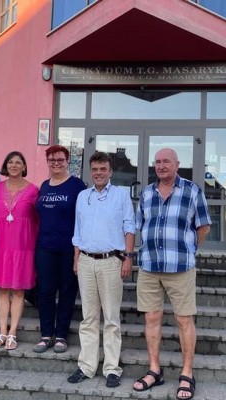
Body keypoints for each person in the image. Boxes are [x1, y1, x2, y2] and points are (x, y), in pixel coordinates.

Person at [132, 148, 211, 400]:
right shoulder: (147, 193)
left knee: (184, 320)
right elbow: (139, 225)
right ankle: (154, 370)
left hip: (180, 267)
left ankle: (187, 373)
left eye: (166, 161)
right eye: (157, 162)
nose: (161, 165)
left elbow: (204, 226)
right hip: (149, 266)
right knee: (151, 319)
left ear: (177, 164)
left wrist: (189, 249)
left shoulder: (192, 190)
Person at [67, 151, 136, 388]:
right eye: (95, 169)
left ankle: (111, 369)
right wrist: (76, 258)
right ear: (91, 172)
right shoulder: (82, 196)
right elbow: (77, 231)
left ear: (110, 172)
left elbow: (129, 227)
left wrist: (128, 258)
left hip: (111, 261)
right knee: (88, 318)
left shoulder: (121, 196)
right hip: (86, 261)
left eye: (103, 169)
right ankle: (86, 367)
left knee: (111, 318)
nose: (98, 173)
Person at [0, 151, 39, 350]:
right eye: (10, 162)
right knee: (2, 289)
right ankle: (2, 332)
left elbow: (38, 219)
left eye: (18, 162)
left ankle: (13, 333)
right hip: (0, 245)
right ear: (6, 166)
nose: (14, 165)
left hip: (22, 247)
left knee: (18, 290)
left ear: (24, 167)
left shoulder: (34, 190)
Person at [33, 145, 86, 353]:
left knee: (67, 292)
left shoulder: (77, 186)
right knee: (45, 292)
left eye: (60, 159)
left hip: (68, 248)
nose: (56, 163)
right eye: (52, 160)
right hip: (44, 247)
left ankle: (61, 335)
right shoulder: (44, 186)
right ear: (47, 162)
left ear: (67, 161)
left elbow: (83, 219)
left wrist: (78, 253)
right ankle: (46, 335)